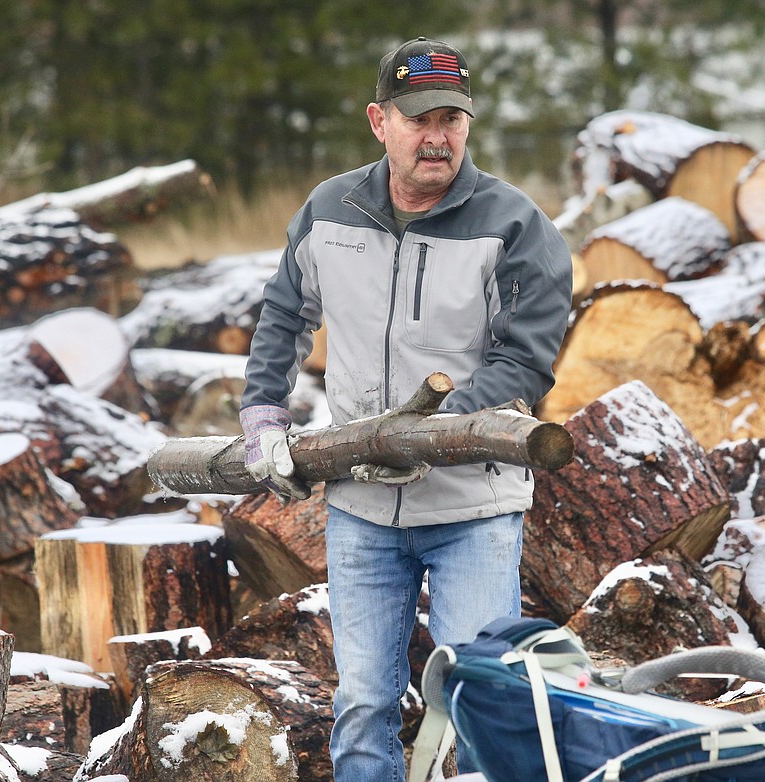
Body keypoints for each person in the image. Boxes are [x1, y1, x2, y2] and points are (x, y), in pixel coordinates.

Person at [239, 35, 572, 781]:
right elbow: (285, 314)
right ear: (378, 121)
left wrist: (426, 435)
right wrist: (264, 413)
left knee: (483, 697)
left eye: (452, 118)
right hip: (361, 508)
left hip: (473, 507)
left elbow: (523, 364)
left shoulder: (516, 226)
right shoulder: (331, 209)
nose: (437, 136)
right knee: (362, 702)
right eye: (419, 118)